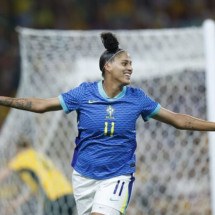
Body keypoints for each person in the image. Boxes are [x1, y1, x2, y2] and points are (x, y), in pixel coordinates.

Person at [0, 32, 215, 215]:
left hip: (117, 175)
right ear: (108, 66)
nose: (130, 68)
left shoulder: (137, 98)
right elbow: (42, 105)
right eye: (125, 63)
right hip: (83, 176)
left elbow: (179, 120)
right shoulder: (84, 93)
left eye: (131, 63)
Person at [0, 139, 76, 215]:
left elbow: (6, 171)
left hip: (54, 196)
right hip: (68, 193)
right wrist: (16, 203)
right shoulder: (39, 157)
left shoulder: (25, 155)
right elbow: (31, 191)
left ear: (19, 149)